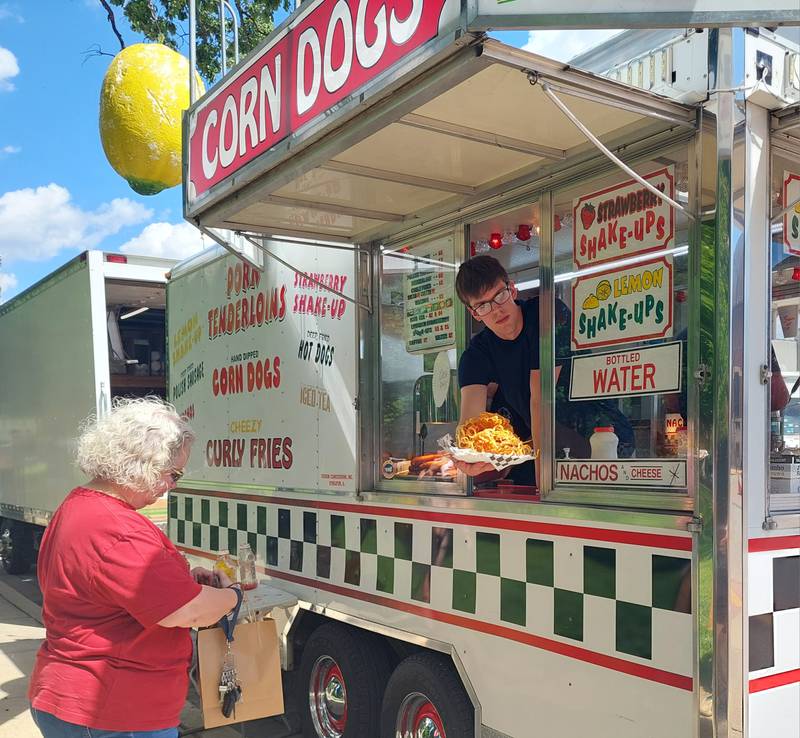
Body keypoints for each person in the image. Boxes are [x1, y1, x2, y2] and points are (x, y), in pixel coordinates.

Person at [28, 397, 242, 738]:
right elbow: (187, 611)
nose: (174, 484)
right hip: (114, 712)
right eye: (173, 473)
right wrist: (232, 596)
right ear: (143, 463)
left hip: (73, 699)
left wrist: (182, 582)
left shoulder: (78, 506)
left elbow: (114, 591)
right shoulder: (117, 527)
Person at [455, 255, 633, 485]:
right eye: (483, 305)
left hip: (605, 441)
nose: (496, 310)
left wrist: (543, 487)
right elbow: (471, 425)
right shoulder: (477, 353)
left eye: (499, 295)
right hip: (552, 451)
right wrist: (469, 455)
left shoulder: (547, 314)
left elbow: (541, 400)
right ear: (474, 313)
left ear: (512, 289)